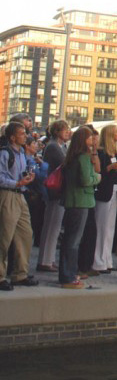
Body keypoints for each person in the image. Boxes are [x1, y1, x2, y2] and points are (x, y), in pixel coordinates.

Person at [59, 126, 101, 289]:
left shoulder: (72, 155)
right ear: (84, 140)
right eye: (90, 137)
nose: (93, 140)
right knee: (73, 241)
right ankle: (68, 276)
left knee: (69, 239)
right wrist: (97, 177)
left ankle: (66, 273)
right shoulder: (83, 156)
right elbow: (86, 179)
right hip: (81, 200)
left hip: (73, 200)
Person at [0, 122, 38, 291]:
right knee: (4, 237)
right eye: (21, 133)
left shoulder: (22, 152)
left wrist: (26, 178)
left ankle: (20, 273)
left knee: (25, 234)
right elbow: (1, 177)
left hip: (20, 194)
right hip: (8, 194)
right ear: (12, 137)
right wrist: (17, 183)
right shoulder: (5, 153)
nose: (25, 136)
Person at [37, 120, 70, 272]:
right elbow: (65, 163)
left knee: (55, 225)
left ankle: (49, 258)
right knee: (51, 224)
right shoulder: (53, 146)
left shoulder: (61, 146)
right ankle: (45, 260)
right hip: (54, 189)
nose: (67, 132)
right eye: (65, 129)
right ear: (57, 131)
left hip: (58, 189)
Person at [93, 124, 117, 273]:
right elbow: (99, 172)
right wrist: (110, 168)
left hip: (114, 189)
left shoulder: (114, 153)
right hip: (104, 191)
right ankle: (98, 261)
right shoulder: (101, 153)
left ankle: (107, 259)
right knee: (101, 226)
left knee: (110, 227)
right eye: (116, 132)